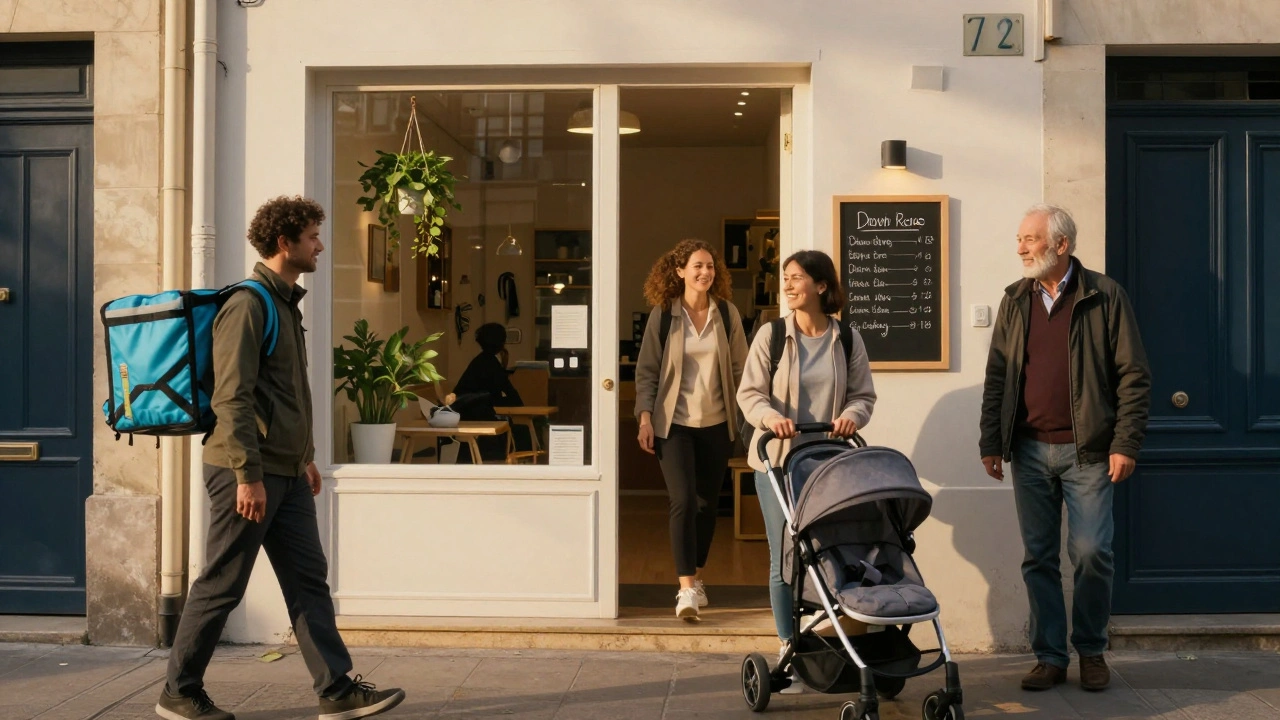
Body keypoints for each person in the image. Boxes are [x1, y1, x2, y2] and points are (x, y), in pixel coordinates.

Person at [157, 196, 405, 720]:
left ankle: (336, 691)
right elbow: (233, 398)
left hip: (286, 472)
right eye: (312, 236)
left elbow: (287, 394)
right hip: (243, 471)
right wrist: (248, 476)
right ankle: (179, 692)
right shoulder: (249, 305)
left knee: (308, 580)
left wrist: (305, 457)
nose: (319, 244)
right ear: (283, 243)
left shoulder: (284, 303)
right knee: (223, 583)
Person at [980, 204, 1151, 693]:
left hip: (1089, 452)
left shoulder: (1104, 295)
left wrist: (1126, 442)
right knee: (1038, 557)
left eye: (1029, 238)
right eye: (1019, 238)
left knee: (1093, 551)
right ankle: (1050, 656)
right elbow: (998, 376)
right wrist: (991, 440)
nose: (1019, 248)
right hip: (1028, 450)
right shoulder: (1015, 300)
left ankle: (1092, 650)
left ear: (1061, 245)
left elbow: (1133, 375)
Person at [736, 249, 876, 690]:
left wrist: (853, 414)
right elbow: (750, 393)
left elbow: (863, 395)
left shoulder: (847, 338)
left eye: (797, 278)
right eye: (786, 278)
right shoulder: (771, 335)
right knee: (786, 560)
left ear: (820, 285)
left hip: (829, 467)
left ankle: (831, 644)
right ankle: (787, 647)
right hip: (777, 463)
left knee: (828, 557)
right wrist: (768, 418)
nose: (788, 285)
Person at [633, 239, 749, 620]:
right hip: (674, 425)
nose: (705, 273)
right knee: (682, 500)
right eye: (697, 266)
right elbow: (647, 370)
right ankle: (685, 590)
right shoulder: (664, 314)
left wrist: (750, 418)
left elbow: (740, 372)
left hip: (717, 423)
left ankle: (697, 577)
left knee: (706, 505)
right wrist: (645, 417)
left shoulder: (727, 314)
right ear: (679, 271)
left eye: (710, 267)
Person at [450, 322, 525, 462]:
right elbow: (513, 396)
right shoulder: (492, 365)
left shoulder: (478, 362)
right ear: (501, 342)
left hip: (462, 413)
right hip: (476, 415)